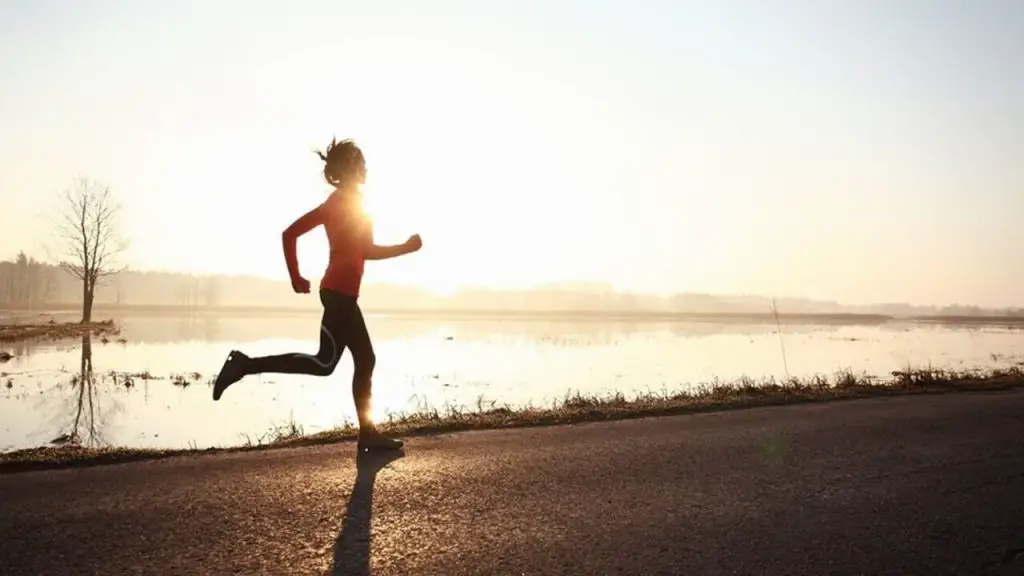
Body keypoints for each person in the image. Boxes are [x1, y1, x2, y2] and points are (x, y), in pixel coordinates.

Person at [212, 137, 421, 452]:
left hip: (342, 294)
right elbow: (357, 249)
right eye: (361, 162)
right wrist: (406, 248)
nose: (365, 167)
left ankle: (368, 434)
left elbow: (346, 248)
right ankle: (244, 364)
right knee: (326, 363)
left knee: (365, 359)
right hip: (338, 293)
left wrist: (297, 275)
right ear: (350, 167)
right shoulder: (344, 204)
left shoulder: (345, 203)